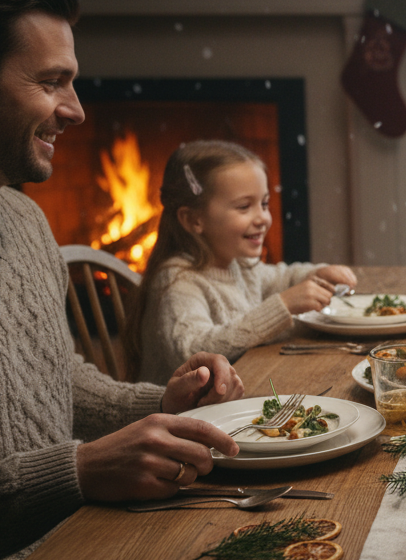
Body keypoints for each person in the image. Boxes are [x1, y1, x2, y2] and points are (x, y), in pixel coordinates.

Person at [0, 0, 245, 560]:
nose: (74, 110)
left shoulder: (22, 219)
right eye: (51, 83)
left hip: (69, 546)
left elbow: (48, 376)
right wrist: (76, 472)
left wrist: (157, 405)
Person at [122, 140, 357, 383]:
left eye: (264, 204)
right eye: (244, 207)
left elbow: (279, 278)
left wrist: (319, 273)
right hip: (183, 416)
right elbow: (191, 350)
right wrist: (282, 307)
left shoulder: (236, 262)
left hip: (240, 391)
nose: (263, 218)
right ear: (193, 220)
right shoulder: (177, 281)